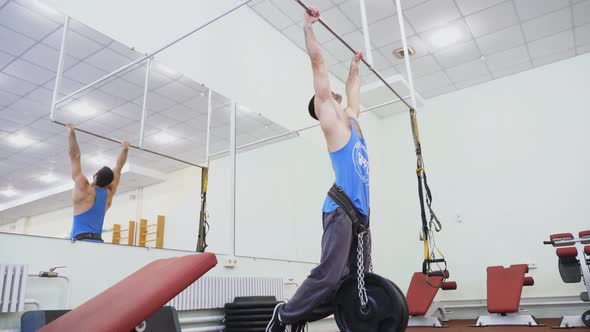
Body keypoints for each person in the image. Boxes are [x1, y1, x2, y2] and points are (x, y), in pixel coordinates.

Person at [266, 7, 371, 332]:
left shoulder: (351, 119)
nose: (335, 94)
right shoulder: (331, 121)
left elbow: (353, 95)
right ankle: (284, 315)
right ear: (321, 104)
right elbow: (319, 64)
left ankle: (299, 317)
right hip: (340, 210)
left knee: (355, 282)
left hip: (362, 213)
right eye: (327, 95)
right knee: (328, 276)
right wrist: (308, 28)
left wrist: (354, 69)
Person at [67, 123, 129, 242]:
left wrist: (71, 133)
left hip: (80, 241)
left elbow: (75, 155)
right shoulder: (109, 193)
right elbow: (119, 167)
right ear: (109, 182)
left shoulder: (83, 188)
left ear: (95, 176)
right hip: (98, 243)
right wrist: (125, 149)